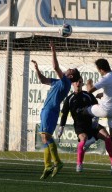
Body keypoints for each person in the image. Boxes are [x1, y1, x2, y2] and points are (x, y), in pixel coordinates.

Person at [32, 42, 80, 180]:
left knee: (46, 137)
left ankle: (57, 162)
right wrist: (37, 69)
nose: (68, 69)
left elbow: (55, 66)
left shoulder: (65, 83)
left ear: (71, 76)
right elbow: (42, 80)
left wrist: (53, 50)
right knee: (44, 137)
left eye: (70, 70)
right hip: (46, 110)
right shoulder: (57, 82)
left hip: (51, 110)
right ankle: (47, 165)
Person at [58, 77, 112, 173]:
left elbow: (97, 107)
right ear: (73, 84)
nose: (78, 84)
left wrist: (96, 119)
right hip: (80, 126)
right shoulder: (69, 99)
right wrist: (61, 127)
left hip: (92, 123)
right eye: (76, 82)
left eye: (80, 82)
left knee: (107, 137)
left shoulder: (88, 95)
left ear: (82, 83)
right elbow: (64, 114)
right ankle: (79, 164)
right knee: (83, 139)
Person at [84, 58, 112, 174]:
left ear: (101, 69)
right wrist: (103, 94)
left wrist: (88, 83)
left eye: (98, 70)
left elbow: (89, 91)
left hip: (106, 109)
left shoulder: (105, 78)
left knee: (84, 111)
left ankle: (92, 138)